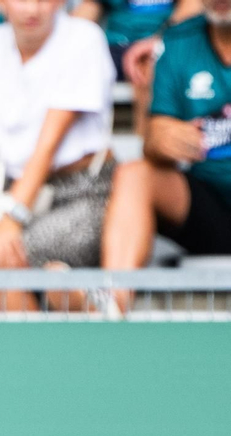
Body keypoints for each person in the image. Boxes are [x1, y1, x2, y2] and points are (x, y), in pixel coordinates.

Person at [0, 0, 115, 312]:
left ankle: (50, 332)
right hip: (11, 195)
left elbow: (48, 146)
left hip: (84, 194)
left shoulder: (85, 37)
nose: (32, 9)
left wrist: (10, 220)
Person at [102, 0, 231, 300]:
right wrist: (162, 137)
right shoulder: (178, 40)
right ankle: (113, 303)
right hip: (209, 207)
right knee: (135, 174)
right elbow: (153, 141)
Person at [75, 1, 201, 135]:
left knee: (148, 66)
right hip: (115, 43)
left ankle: (147, 141)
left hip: (162, 40)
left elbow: (192, 5)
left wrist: (161, 39)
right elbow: (90, 6)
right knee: (78, 63)